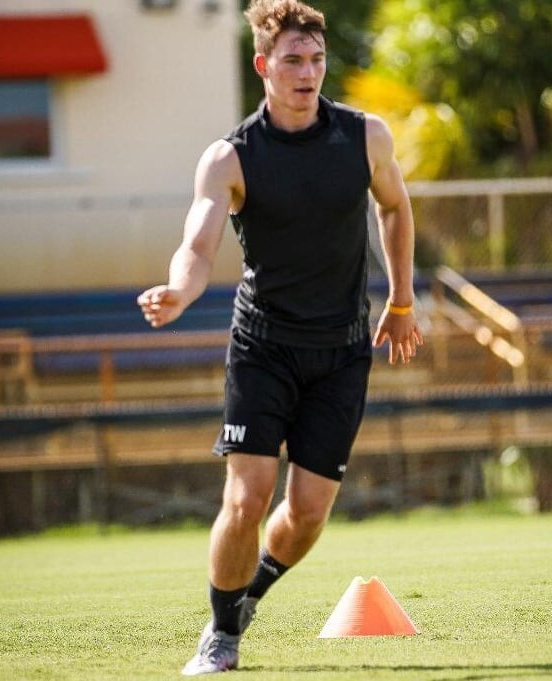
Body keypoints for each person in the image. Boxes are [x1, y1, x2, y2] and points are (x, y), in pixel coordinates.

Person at [137, 0, 422, 674]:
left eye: (317, 59)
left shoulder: (363, 137)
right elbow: (199, 242)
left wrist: (403, 300)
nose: (308, 71)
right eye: (293, 59)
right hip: (263, 345)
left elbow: (396, 208)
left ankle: (248, 596)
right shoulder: (231, 156)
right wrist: (180, 288)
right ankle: (221, 633)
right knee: (248, 494)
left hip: (343, 348)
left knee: (308, 515)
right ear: (264, 66)